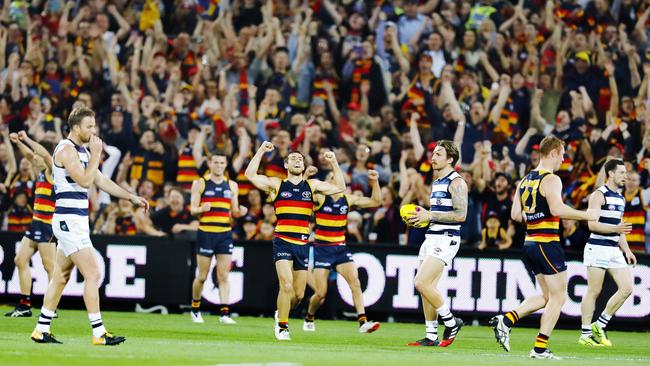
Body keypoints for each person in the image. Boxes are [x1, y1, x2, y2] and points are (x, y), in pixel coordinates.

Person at [31, 107, 149, 345]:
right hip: (68, 222)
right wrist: (96, 154)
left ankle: (41, 329)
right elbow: (85, 180)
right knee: (93, 274)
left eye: (94, 126)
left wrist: (130, 197)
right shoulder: (66, 150)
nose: (93, 131)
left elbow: (100, 180)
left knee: (61, 276)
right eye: (89, 126)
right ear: (75, 127)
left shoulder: (81, 150)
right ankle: (98, 332)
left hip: (75, 221)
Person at [490, 135, 598, 359]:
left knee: (548, 296)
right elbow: (557, 210)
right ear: (553, 153)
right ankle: (540, 348)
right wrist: (586, 215)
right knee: (559, 298)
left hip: (530, 243)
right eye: (562, 154)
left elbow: (515, 215)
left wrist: (536, 215)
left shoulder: (524, 180)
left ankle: (507, 319)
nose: (563, 159)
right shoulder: (551, 179)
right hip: (547, 243)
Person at [245, 141, 345, 341]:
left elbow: (340, 187)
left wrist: (334, 162)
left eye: (300, 158)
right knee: (287, 285)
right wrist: (261, 151)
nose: (298, 160)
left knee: (298, 296)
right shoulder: (277, 185)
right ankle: (283, 326)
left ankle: (280, 313)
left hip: (302, 244)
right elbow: (250, 175)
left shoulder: (312, 185)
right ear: (286, 165)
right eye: (293, 158)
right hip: (282, 240)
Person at [303, 167, 381, 333]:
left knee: (355, 282)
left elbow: (375, 202)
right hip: (322, 248)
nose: (337, 180)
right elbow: (302, 192)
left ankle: (362, 322)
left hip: (340, 248)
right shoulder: (320, 198)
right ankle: (309, 316)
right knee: (321, 293)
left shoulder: (348, 199)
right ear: (327, 183)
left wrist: (374, 183)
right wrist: (305, 176)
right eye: (333, 177)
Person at [405, 140, 467, 348]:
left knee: (421, 282)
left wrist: (429, 215)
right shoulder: (437, 181)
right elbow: (437, 215)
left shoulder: (456, 182)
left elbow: (460, 216)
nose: (433, 157)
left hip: (446, 238)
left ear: (450, 159)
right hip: (431, 236)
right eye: (433, 153)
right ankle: (431, 335)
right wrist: (422, 218)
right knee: (427, 288)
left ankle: (451, 322)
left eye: (438, 154)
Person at [579, 159, 636, 346]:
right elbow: (591, 224)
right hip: (597, 247)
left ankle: (600, 324)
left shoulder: (620, 198)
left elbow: (619, 229)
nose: (625, 176)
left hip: (613, 249)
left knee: (627, 288)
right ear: (610, 174)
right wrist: (616, 229)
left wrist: (627, 250)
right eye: (621, 173)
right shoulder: (599, 195)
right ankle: (585, 334)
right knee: (594, 291)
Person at [189, 154, 247, 325]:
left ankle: (224, 313)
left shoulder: (232, 185)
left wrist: (240, 212)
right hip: (206, 233)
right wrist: (201, 208)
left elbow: (234, 211)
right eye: (216, 162)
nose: (219, 165)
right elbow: (192, 209)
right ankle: (195, 308)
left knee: (223, 275)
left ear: (226, 164)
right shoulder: (201, 183)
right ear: (210, 163)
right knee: (202, 276)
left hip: (224, 234)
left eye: (222, 162)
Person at [5, 131, 56, 317]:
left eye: (36, 155)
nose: (33, 158)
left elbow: (45, 155)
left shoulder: (53, 170)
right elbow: (28, 154)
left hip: (47, 225)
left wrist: (26, 139)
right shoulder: (43, 171)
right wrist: (18, 142)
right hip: (36, 223)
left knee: (50, 266)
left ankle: (51, 308)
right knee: (20, 260)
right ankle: (25, 306)